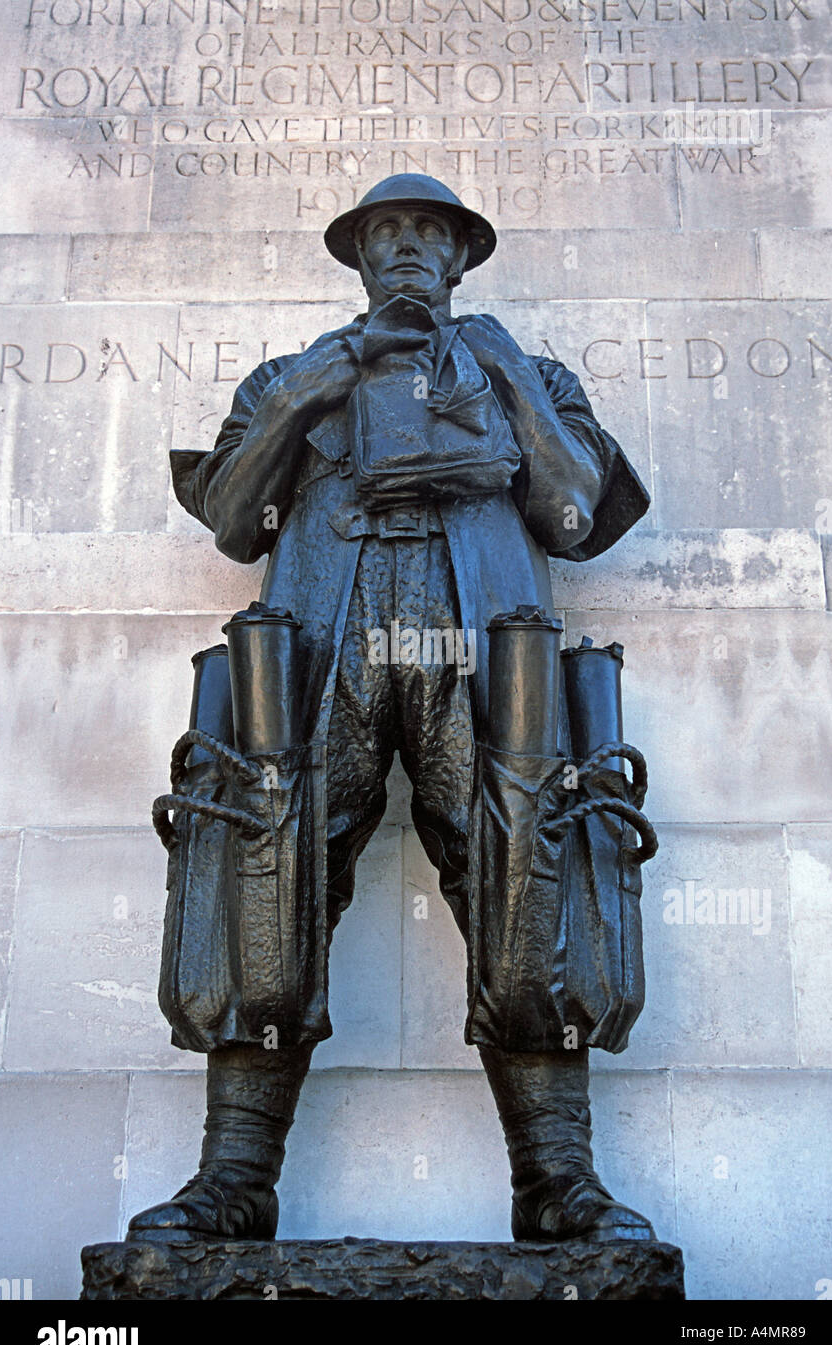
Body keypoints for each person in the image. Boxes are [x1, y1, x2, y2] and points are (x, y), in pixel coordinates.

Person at [128, 175, 655, 1246]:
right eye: (387, 233)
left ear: (461, 258)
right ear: (358, 257)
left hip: (481, 639)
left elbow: (571, 512)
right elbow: (234, 522)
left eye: (430, 233)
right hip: (324, 637)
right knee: (266, 867)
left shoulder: (526, 374)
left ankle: (557, 1181)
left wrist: (508, 377)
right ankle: (234, 1179)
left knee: (528, 869)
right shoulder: (292, 376)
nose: (408, 249)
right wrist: (300, 397)